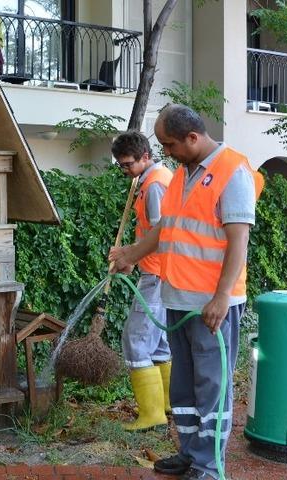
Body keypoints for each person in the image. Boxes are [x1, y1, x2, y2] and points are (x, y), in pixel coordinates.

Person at [109, 104, 263, 480]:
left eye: (169, 144)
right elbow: (166, 231)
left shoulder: (232, 171)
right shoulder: (182, 174)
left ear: (193, 137)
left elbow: (238, 240)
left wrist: (222, 297)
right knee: (184, 387)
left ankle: (209, 466)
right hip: (178, 298)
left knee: (212, 387)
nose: (165, 152)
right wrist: (131, 253)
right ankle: (190, 454)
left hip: (211, 305)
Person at [110, 130, 173, 431]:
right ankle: (168, 404)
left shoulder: (156, 185)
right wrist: (128, 253)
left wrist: (129, 257)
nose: (125, 170)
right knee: (159, 343)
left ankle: (151, 415)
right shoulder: (148, 180)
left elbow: (163, 235)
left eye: (128, 164)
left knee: (135, 340)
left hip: (158, 273)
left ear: (145, 156)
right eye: (121, 165)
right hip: (160, 272)